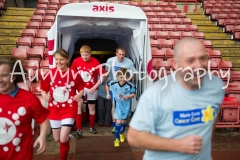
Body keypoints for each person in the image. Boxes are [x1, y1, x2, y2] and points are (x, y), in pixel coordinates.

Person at [127, 38, 225, 160]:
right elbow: (134, 137)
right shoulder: (155, 93)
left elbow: (213, 116)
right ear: (175, 64)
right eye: (190, 60)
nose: (199, 66)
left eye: (203, 58)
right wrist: (177, 145)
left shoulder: (216, 86)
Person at [0, 56, 49, 160]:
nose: (0, 80)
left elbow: (43, 120)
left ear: (14, 76)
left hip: (21, 156)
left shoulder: (29, 98)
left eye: (4, 76)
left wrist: (42, 136)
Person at [40, 49, 84, 160]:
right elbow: (43, 89)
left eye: (62, 59)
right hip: (54, 109)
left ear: (67, 60)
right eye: (57, 59)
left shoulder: (74, 73)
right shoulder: (50, 73)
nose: (58, 62)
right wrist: (45, 96)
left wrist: (79, 95)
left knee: (63, 139)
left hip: (69, 108)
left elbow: (81, 88)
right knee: (57, 139)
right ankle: (67, 138)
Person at [71, 45, 106, 135]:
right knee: (79, 105)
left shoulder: (95, 62)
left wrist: (95, 87)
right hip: (80, 88)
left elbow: (103, 75)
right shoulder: (76, 61)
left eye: (86, 55)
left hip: (92, 88)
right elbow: (71, 75)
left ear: (90, 54)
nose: (85, 57)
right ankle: (79, 129)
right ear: (80, 54)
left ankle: (92, 127)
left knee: (91, 107)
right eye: (83, 55)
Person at [105, 46, 137, 134]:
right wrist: (106, 85)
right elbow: (106, 74)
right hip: (114, 86)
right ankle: (115, 125)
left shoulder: (129, 62)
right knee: (114, 105)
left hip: (124, 87)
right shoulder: (110, 61)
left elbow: (133, 73)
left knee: (123, 105)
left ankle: (122, 122)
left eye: (123, 55)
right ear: (116, 54)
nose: (121, 56)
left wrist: (127, 80)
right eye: (119, 54)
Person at [106, 68, 136, 147]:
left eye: (124, 77)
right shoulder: (113, 83)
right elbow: (107, 84)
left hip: (126, 106)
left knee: (123, 122)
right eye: (121, 77)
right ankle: (116, 139)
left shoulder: (130, 85)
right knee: (118, 122)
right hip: (117, 106)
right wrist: (108, 94)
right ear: (118, 77)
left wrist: (128, 96)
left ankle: (122, 133)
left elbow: (134, 93)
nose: (122, 79)